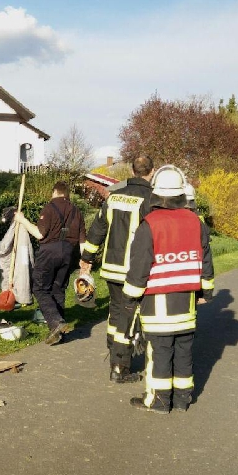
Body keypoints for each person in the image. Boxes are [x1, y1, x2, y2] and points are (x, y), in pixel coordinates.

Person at [116, 165, 214, 414]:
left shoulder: (150, 224)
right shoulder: (196, 222)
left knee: (159, 353)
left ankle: (158, 401)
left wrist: (130, 297)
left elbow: (139, 266)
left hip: (158, 306)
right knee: (183, 352)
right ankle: (182, 399)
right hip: (187, 305)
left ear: (156, 193)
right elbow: (206, 261)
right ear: (181, 192)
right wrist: (206, 292)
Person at [79, 154, 155, 383]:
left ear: (132, 171)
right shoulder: (151, 199)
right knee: (129, 316)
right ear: (152, 172)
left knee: (115, 311)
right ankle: (120, 367)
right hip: (134, 271)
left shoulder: (113, 197)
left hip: (111, 268)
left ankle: (113, 351)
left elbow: (97, 230)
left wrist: (87, 258)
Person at [14, 181, 86, 345]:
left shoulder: (49, 207)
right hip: (68, 253)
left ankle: (56, 323)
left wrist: (22, 220)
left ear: (54, 192)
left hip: (49, 252)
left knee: (39, 288)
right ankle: (59, 333)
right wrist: (85, 262)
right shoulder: (77, 211)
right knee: (58, 289)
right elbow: (83, 242)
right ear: (67, 193)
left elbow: (39, 234)